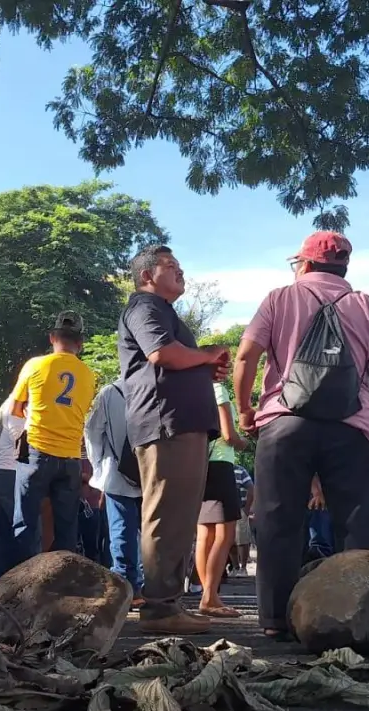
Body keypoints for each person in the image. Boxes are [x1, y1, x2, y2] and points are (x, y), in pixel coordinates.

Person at [234, 232, 369, 641]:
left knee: (278, 520)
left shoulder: (279, 298)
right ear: (344, 267)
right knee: (356, 522)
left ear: (304, 264)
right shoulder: (368, 306)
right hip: (353, 426)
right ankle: (354, 617)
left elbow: (246, 357)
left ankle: (275, 619)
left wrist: (244, 409)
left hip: (285, 422)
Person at [118, 244, 224, 636]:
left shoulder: (162, 310)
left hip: (179, 425)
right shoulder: (145, 307)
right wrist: (208, 354)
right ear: (147, 276)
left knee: (178, 518)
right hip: (167, 425)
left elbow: (175, 359)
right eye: (169, 266)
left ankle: (168, 604)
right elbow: (163, 354)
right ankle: (161, 608)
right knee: (167, 516)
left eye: (180, 265)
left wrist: (201, 365)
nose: (180, 271)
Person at [9, 312, 97, 563]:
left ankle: (22, 586)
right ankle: (63, 585)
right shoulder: (89, 375)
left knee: (25, 522)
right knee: (67, 527)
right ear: (80, 343)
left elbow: (15, 408)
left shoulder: (35, 365)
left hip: (37, 451)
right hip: (70, 457)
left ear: (52, 337)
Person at [84, 379, 143, 601]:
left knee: (121, 529)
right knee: (153, 530)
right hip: (153, 472)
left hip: (116, 472)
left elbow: (92, 431)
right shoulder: (158, 387)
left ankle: (127, 587)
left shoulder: (110, 392)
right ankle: (153, 586)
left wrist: (98, 465)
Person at [194, 381, 248, 617]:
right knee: (225, 534)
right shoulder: (217, 389)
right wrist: (245, 442)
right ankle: (210, 597)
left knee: (205, 534)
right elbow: (228, 435)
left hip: (199, 465)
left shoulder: (191, 389)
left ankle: (208, 594)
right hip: (221, 463)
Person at [0, 396, 24, 584]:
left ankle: (1, 576)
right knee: (21, 526)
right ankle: (18, 576)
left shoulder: (3, 413)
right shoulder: (17, 409)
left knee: (2, 529)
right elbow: (23, 435)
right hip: (12, 471)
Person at [230, 465, 254, 577]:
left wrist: (246, 509)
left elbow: (251, 487)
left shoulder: (240, 470)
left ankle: (243, 568)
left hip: (240, 508)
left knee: (242, 539)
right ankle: (235, 567)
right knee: (229, 541)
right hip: (226, 509)